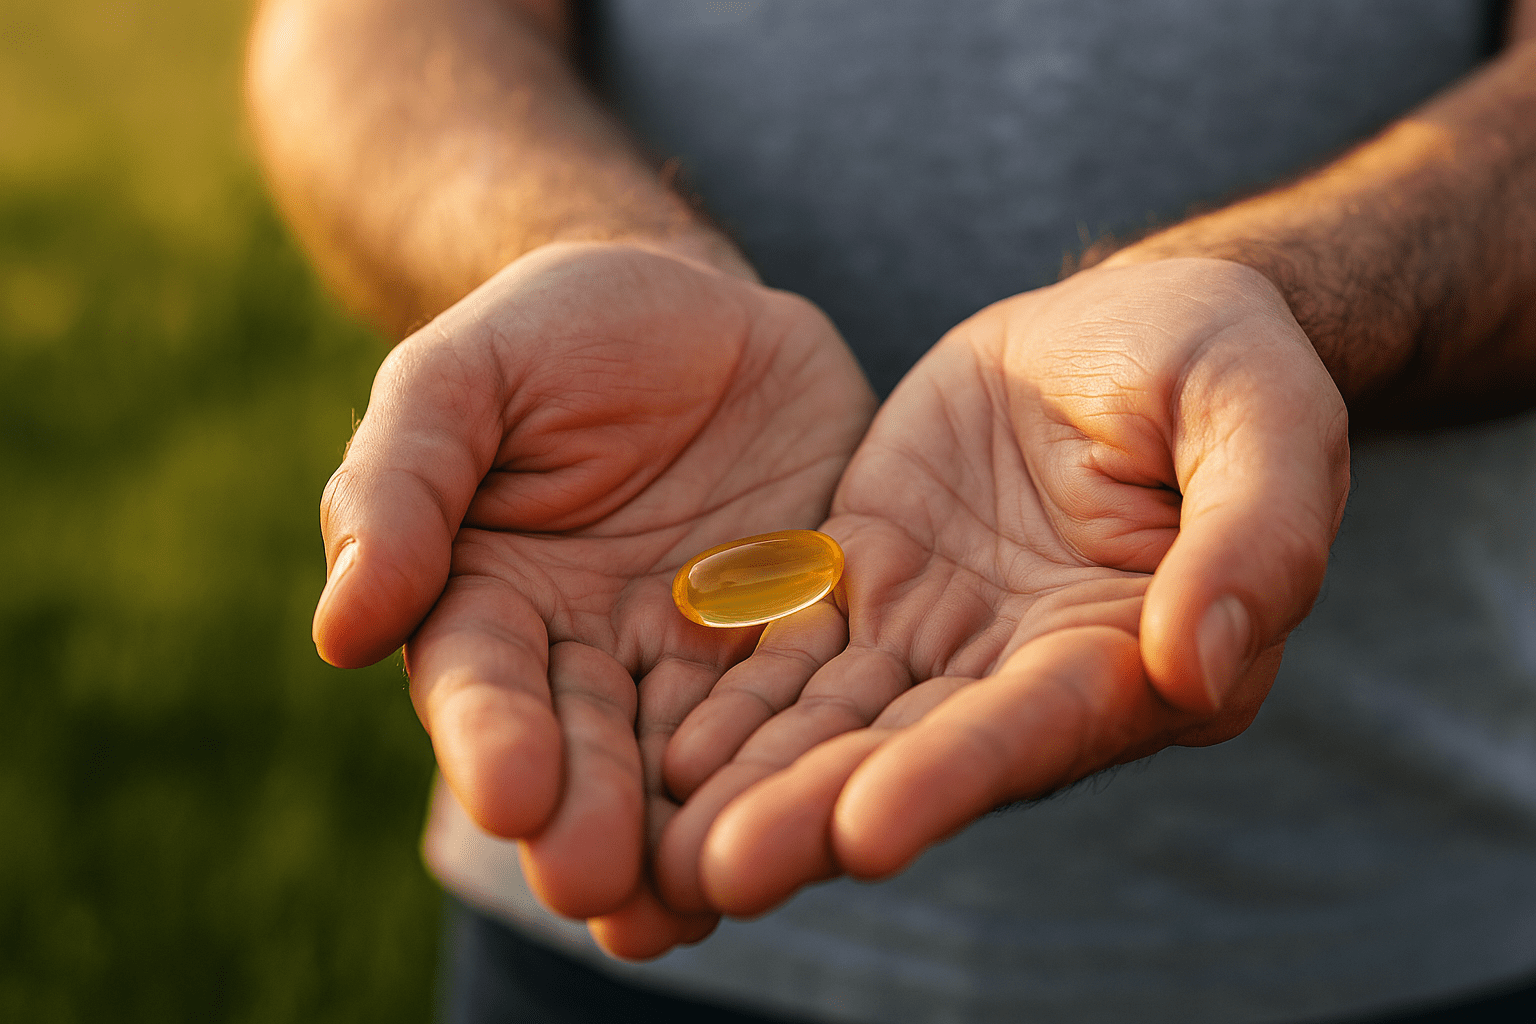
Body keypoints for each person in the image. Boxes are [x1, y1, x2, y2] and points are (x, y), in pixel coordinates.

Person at [245, 0, 1536, 1020]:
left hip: (1410, 914)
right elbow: (365, 22)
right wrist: (564, 239)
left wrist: (1289, 303)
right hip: (613, 860)